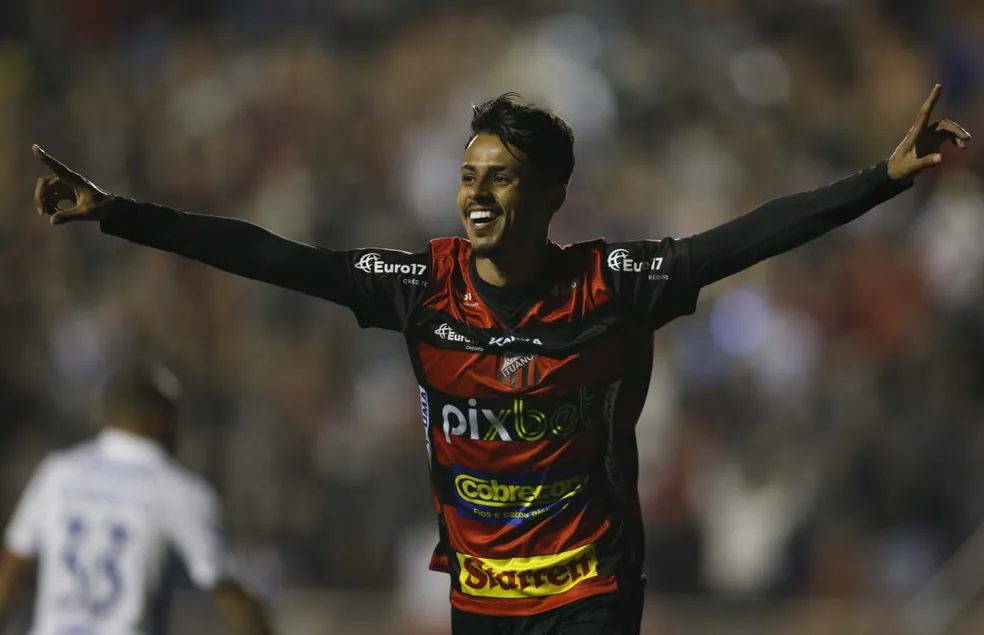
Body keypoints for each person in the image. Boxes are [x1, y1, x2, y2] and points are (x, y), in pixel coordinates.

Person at [30, 85, 968, 635]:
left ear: (551, 195)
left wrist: (882, 179)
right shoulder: (419, 287)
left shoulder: (612, 283)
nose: (477, 193)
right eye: (469, 175)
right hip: (480, 595)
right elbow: (268, 254)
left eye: (502, 177)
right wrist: (118, 213)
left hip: (592, 588)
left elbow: (753, 235)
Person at [0, 362, 274, 635]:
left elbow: (10, 569)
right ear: (163, 417)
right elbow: (227, 592)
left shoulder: (59, 472)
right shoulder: (177, 489)